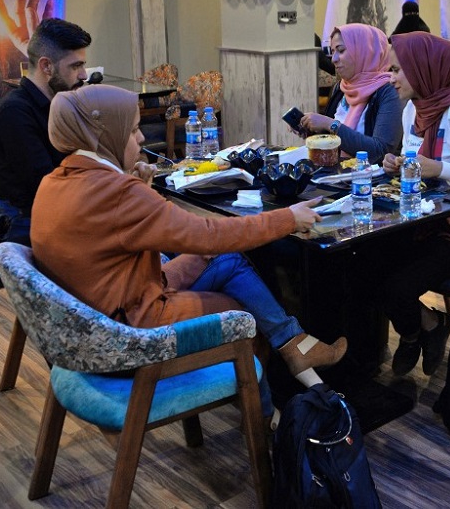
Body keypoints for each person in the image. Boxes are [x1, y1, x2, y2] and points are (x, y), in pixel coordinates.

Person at [30, 84, 346, 387]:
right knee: (242, 312)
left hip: (100, 316)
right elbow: (206, 234)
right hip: (130, 330)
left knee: (226, 259)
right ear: (105, 135)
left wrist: (138, 188)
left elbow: (112, 233)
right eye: (131, 130)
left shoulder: (55, 181)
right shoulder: (116, 191)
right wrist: (288, 218)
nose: (140, 138)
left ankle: (296, 346)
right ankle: (264, 417)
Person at [372, 32, 450, 376]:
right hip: (423, 219)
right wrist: (396, 163)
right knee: (361, 263)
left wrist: (441, 169)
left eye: (398, 69)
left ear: (423, 67)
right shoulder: (413, 108)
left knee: (396, 286)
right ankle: (428, 324)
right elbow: (414, 160)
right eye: (390, 69)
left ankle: (415, 333)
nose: (391, 77)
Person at [0, 18, 90, 215]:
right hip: (35, 224)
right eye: (76, 66)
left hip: (65, 208)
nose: (84, 75)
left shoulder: (58, 103)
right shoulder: (12, 114)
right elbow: (47, 186)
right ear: (46, 66)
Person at [298, 24, 404, 162]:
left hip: (368, 178)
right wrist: (311, 130)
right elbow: (333, 138)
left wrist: (330, 124)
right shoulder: (341, 87)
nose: (333, 59)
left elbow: (380, 151)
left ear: (365, 52)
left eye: (341, 50)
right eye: (332, 51)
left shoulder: (389, 91)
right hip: (336, 172)